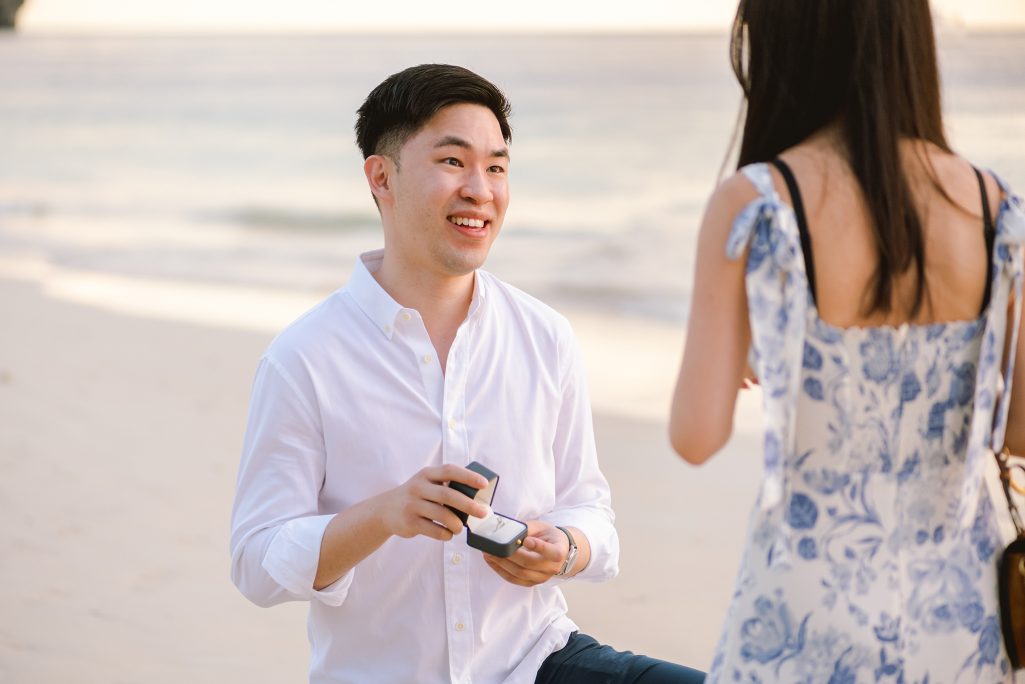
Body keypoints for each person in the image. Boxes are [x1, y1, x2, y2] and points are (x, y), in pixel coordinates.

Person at [231, 64, 704, 684]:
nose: (481, 189)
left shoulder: (545, 336)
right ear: (381, 177)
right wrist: (383, 516)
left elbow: (591, 513)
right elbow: (256, 563)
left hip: (538, 660)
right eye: (453, 162)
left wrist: (562, 551)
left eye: (497, 167)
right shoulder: (304, 358)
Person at [669, 1, 1025, 681]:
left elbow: (695, 436)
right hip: (959, 611)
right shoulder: (993, 205)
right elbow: (1019, 429)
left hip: (803, 603)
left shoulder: (758, 202)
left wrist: (756, 352)